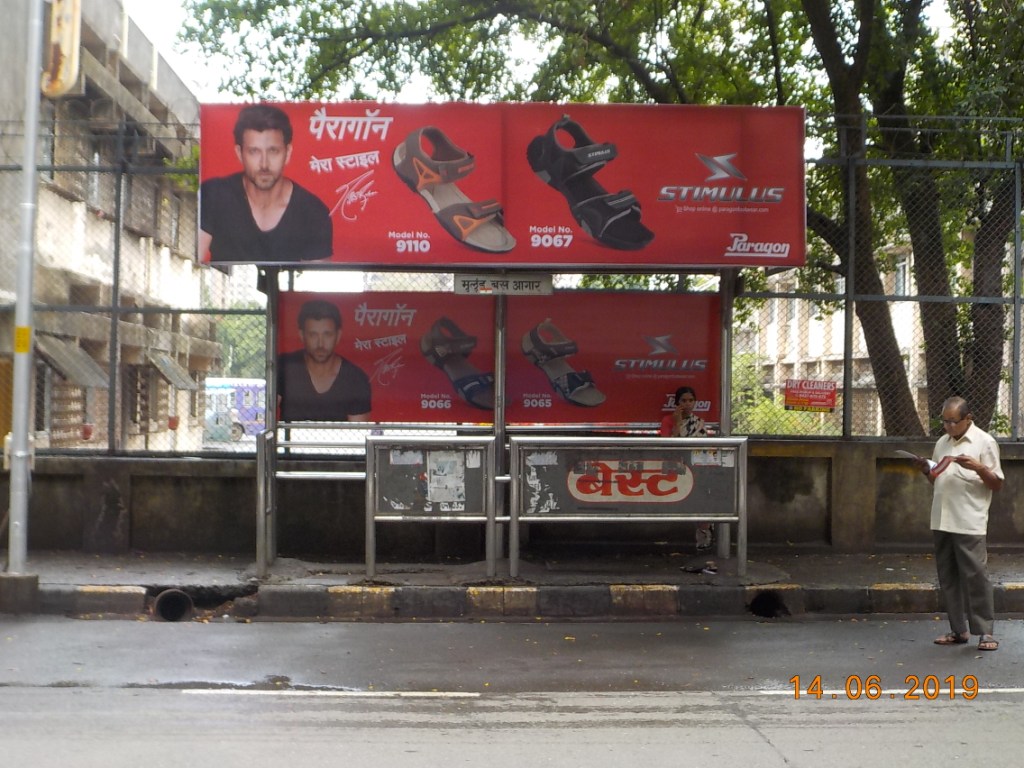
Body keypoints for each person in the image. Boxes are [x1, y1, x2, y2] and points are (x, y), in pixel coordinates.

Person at [914, 396, 1003, 652]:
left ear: (968, 418)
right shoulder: (942, 442)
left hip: (969, 519)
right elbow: (937, 479)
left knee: (976, 576)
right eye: (945, 421)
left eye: (954, 421)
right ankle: (958, 630)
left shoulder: (984, 442)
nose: (949, 426)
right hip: (942, 517)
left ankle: (985, 633)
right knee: (948, 576)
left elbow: (997, 483)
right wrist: (925, 470)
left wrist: (978, 467)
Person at [200, 104, 332, 263]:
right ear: (239, 153)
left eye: (273, 151)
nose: (264, 164)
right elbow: (195, 259)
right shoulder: (214, 195)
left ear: (287, 153)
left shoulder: (313, 212)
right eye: (254, 151)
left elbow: (314, 282)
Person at [277, 300, 371, 421]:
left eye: (327, 335)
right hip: (289, 440)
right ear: (301, 335)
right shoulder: (285, 366)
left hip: (338, 440)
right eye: (313, 335)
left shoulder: (355, 379)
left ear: (338, 335)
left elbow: (358, 433)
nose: (320, 344)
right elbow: (265, 415)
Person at [660, 385, 713, 551]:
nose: (688, 404)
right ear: (677, 402)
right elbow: (668, 444)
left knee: (703, 500)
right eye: (684, 400)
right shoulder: (668, 420)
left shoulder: (698, 423)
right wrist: (677, 422)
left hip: (697, 466)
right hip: (675, 466)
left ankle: (704, 534)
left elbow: (705, 448)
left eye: (691, 400)